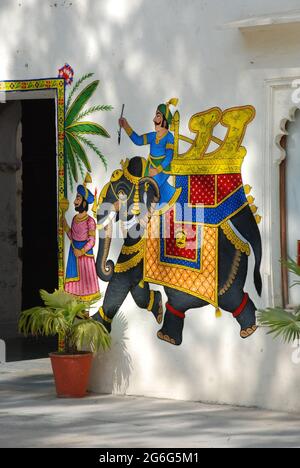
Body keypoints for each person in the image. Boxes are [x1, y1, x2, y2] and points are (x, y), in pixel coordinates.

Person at [119, 98, 181, 212]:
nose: (154, 119)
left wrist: (157, 170)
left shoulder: (169, 137)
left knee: (148, 188)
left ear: (164, 119)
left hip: (162, 171)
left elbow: (169, 156)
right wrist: (126, 126)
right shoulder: (153, 136)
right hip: (150, 166)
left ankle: (147, 214)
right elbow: (138, 140)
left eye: (157, 116)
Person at [63, 184, 100, 301]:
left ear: (84, 202)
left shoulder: (90, 221)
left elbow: (92, 241)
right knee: (74, 289)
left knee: (86, 290)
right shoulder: (74, 218)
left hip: (85, 257)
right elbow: (72, 236)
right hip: (74, 254)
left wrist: (82, 251)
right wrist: (65, 226)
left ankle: (86, 312)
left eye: (78, 198)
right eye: (76, 198)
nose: (74, 202)